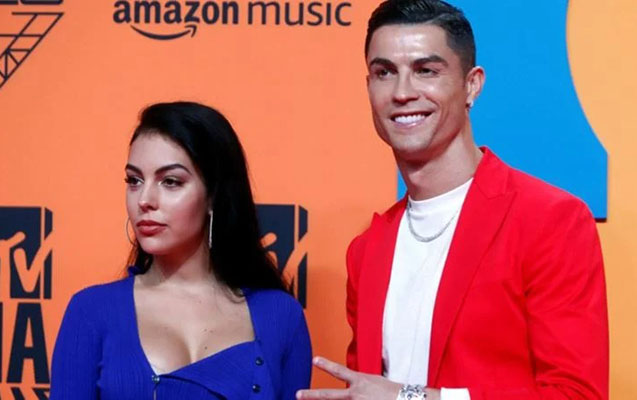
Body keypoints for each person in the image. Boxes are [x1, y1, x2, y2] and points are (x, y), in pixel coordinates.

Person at [297, 1, 608, 399]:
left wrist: (409, 398)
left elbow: (575, 394)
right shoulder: (367, 250)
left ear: (472, 85)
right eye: (384, 72)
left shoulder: (550, 221)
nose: (402, 92)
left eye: (426, 70)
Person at [51, 102, 312, 399]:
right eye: (134, 181)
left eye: (171, 182)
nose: (145, 199)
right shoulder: (91, 311)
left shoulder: (281, 316)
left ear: (213, 195)